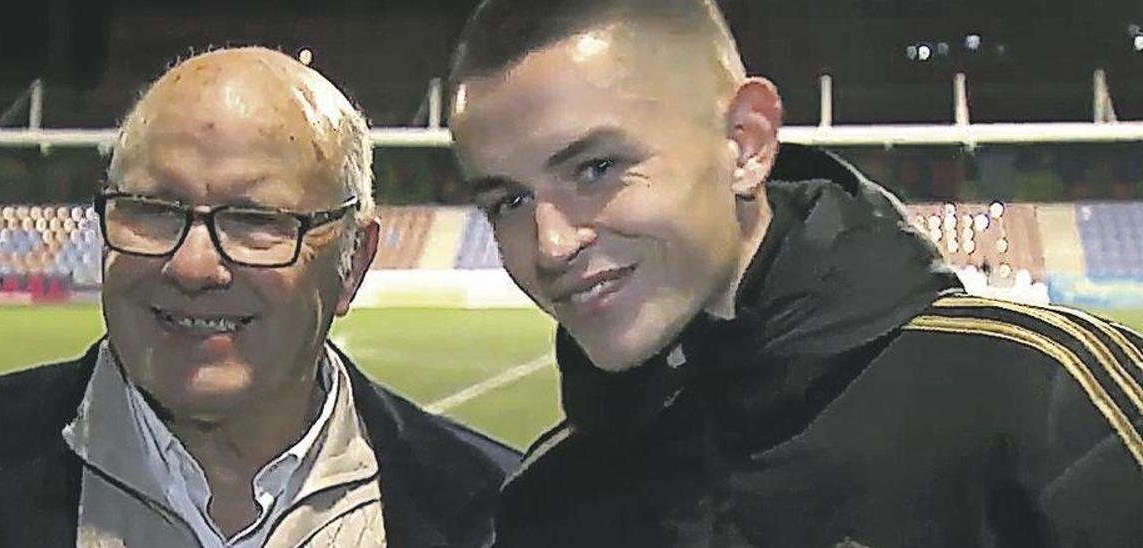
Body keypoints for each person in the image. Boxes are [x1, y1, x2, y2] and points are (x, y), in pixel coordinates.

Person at [447, 1, 1143, 545]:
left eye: (595, 168)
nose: (550, 244)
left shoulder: (1051, 400)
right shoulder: (550, 498)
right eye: (508, 200)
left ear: (745, 144)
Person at [0, 47, 518, 548]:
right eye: (151, 209)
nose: (194, 264)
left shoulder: (504, 515)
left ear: (353, 263)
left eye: (257, 220)